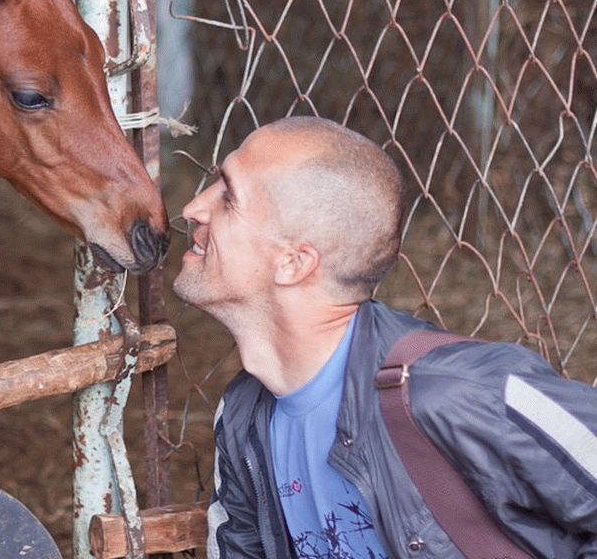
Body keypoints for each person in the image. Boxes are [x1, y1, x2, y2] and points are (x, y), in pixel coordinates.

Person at [173, 116, 597, 558]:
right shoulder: (243, 418)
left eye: (228, 197)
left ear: (294, 263)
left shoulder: (467, 395)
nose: (193, 208)